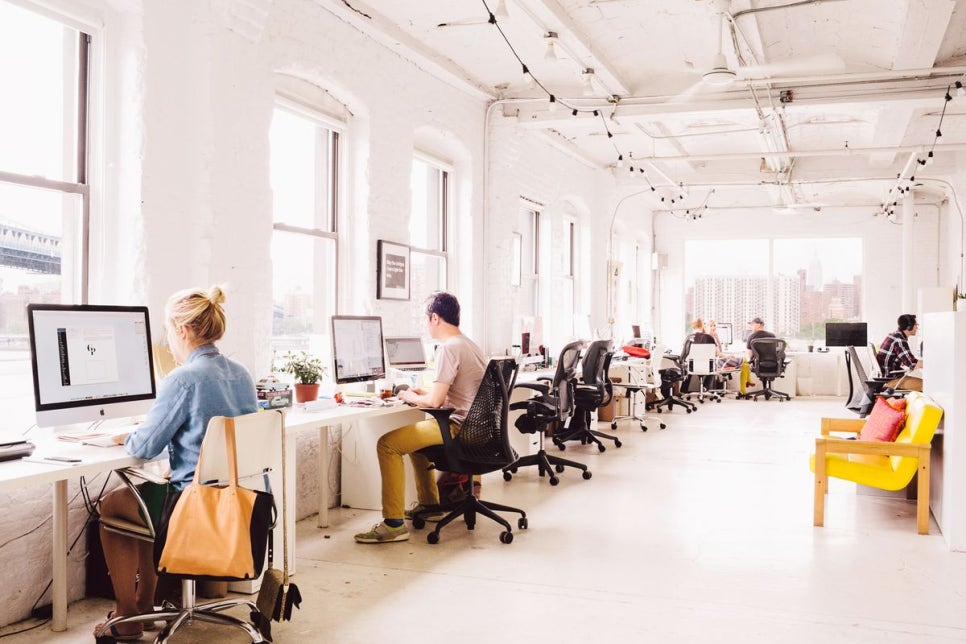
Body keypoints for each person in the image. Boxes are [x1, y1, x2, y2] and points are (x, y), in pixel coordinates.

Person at [94, 286, 257, 640]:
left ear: (182, 329)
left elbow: (146, 445)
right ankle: (144, 604)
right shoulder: (242, 373)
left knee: (115, 505)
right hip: (244, 504)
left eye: (168, 330)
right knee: (147, 497)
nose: (167, 340)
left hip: (197, 510)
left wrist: (127, 436)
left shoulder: (183, 379)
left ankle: (128, 615)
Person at [354, 291, 486, 544]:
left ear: (435, 318)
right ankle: (430, 505)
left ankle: (393, 524)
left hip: (458, 428)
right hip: (476, 427)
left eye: (427, 320)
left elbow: (435, 403)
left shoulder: (449, 348)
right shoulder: (469, 345)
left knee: (387, 445)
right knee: (416, 444)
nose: (427, 325)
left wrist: (407, 395)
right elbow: (454, 392)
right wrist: (422, 393)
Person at [877, 314, 923, 391]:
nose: (917, 327)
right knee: (927, 386)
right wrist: (932, 364)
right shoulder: (899, 340)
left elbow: (906, 360)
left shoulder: (894, 335)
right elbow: (913, 364)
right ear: (909, 327)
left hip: (888, 377)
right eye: (916, 325)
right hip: (891, 380)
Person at [739, 316, 774, 396]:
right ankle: (768, 390)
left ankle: (766, 390)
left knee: (745, 362)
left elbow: (749, 355)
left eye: (752, 324)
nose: (751, 327)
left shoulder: (751, 336)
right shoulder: (772, 335)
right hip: (773, 365)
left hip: (759, 366)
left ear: (758, 325)